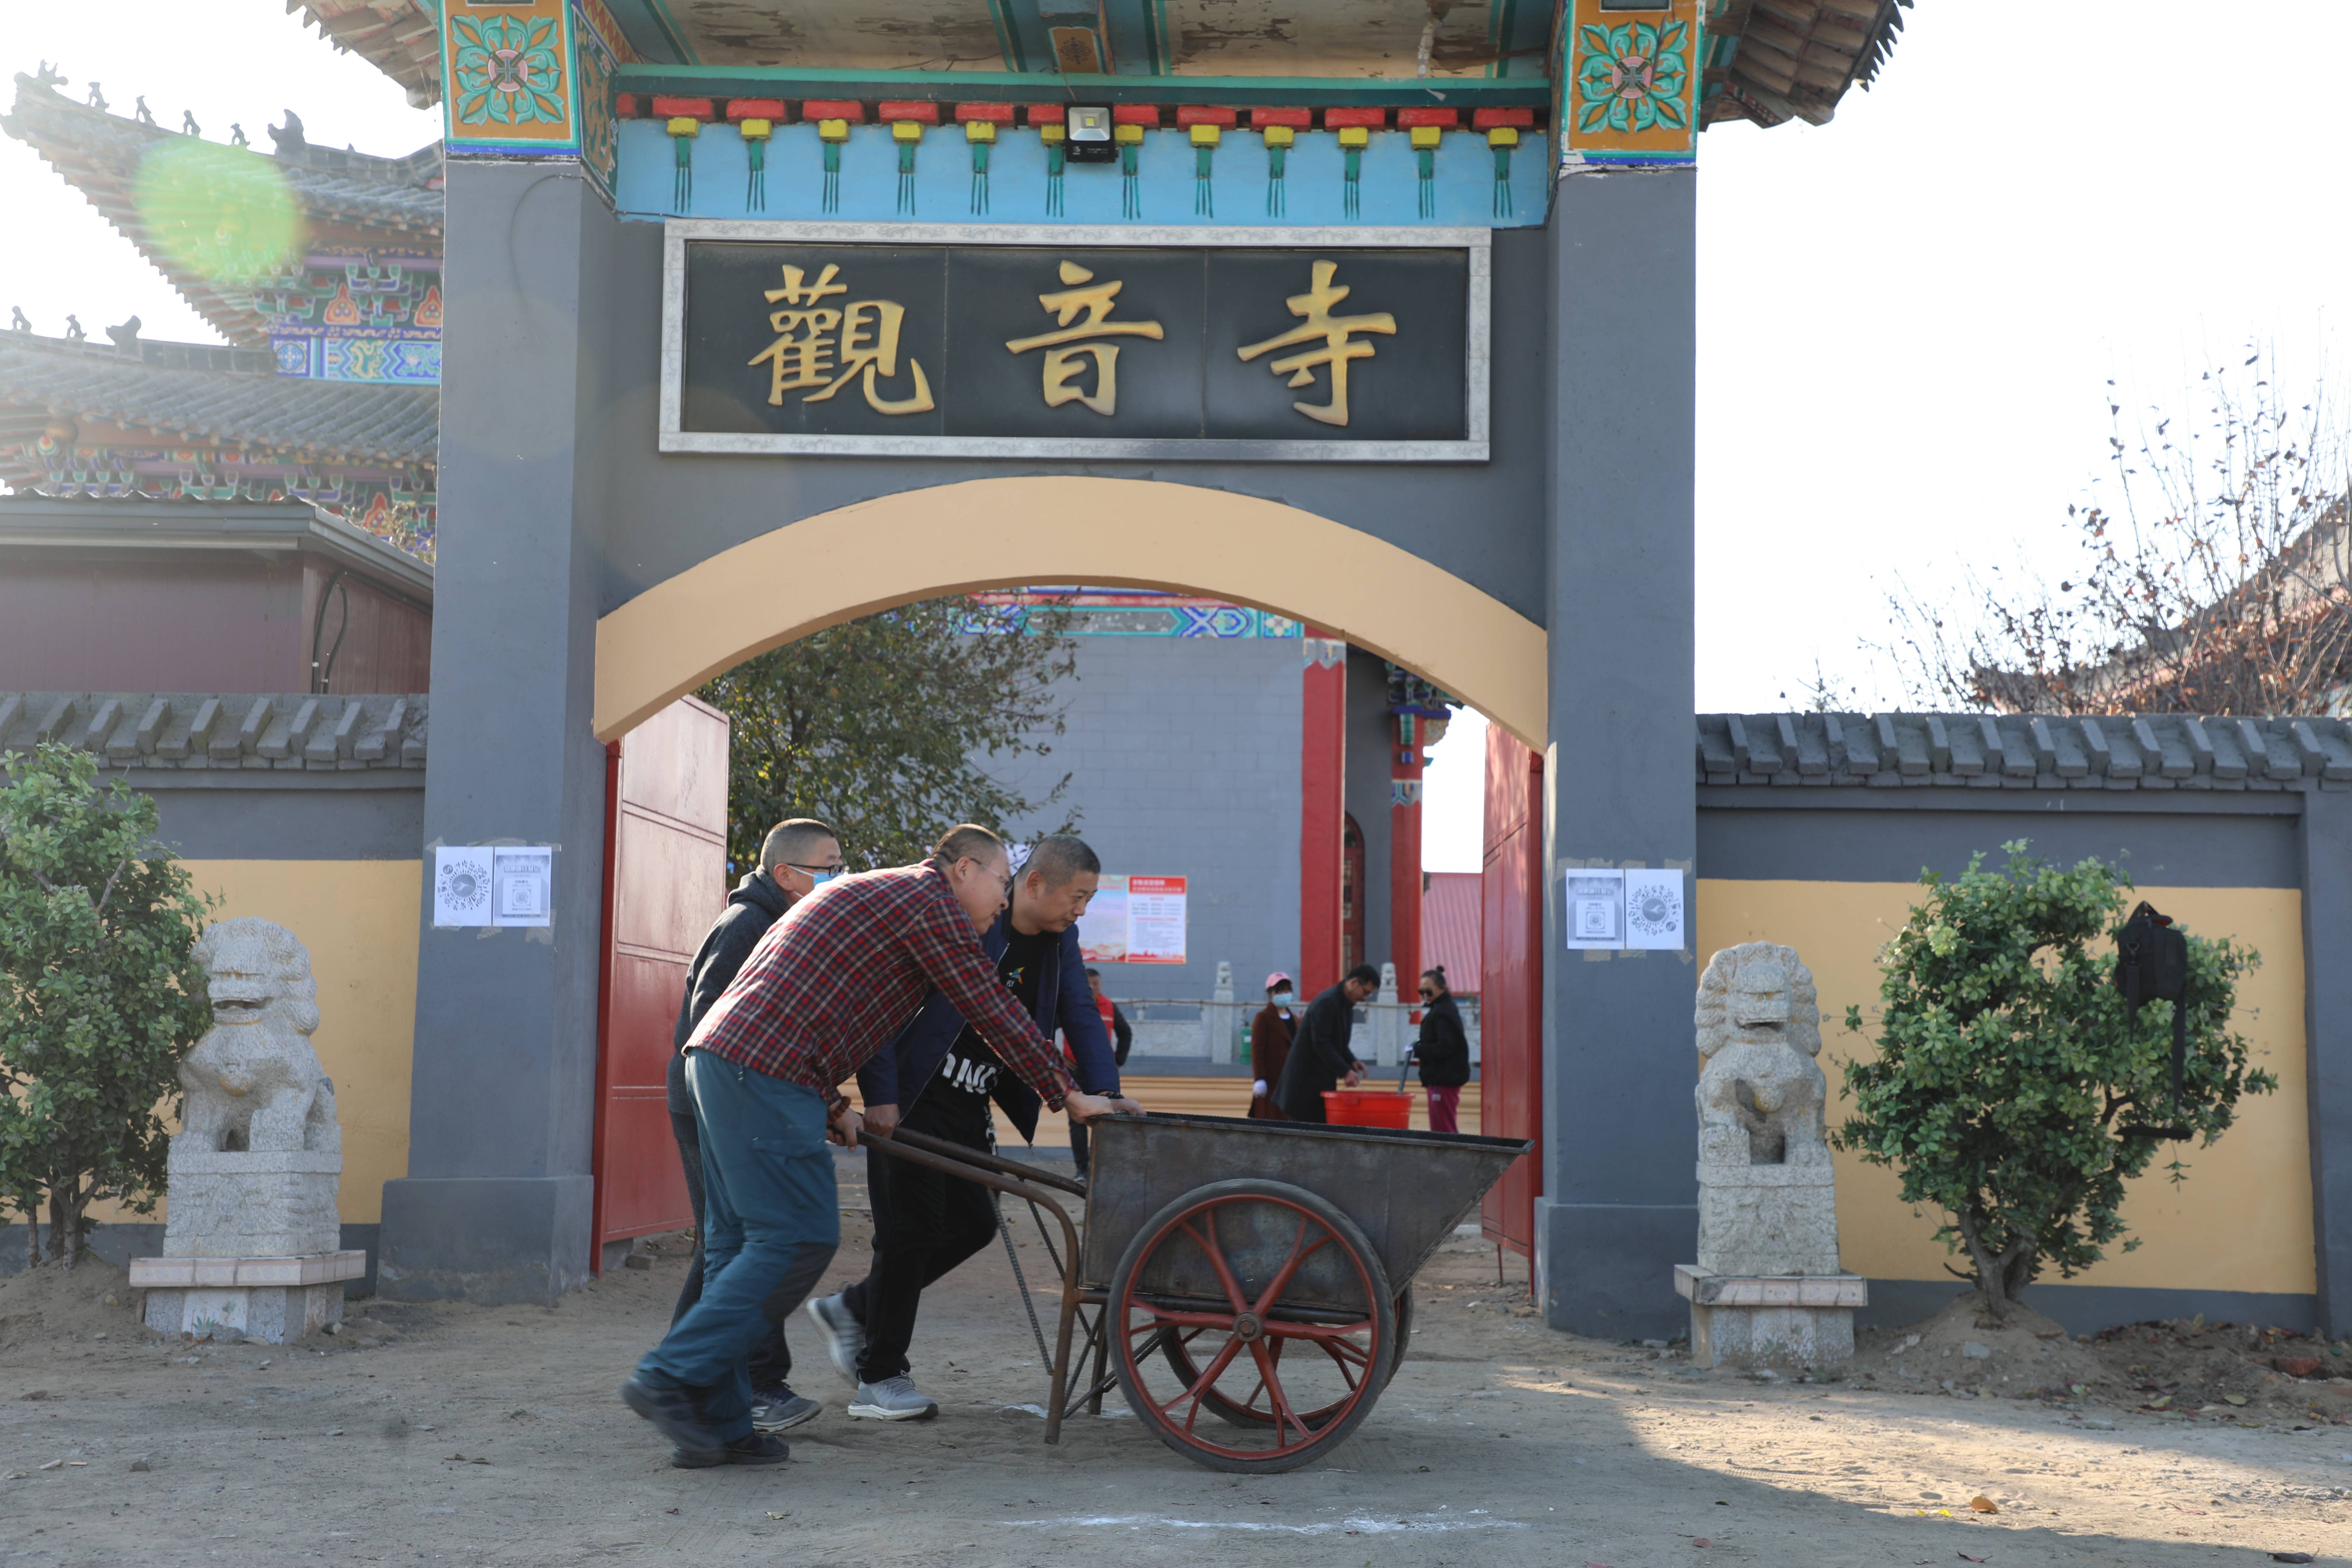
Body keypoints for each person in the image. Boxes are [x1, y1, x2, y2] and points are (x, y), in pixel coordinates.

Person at [621, 825, 1121, 1469]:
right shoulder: (928, 901)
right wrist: (1066, 1092)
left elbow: (807, 998)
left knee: (739, 1247)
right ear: (965, 869)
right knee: (796, 1237)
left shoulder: (888, 897)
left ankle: (715, 1425)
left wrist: (832, 1105)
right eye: (1002, 881)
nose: (1003, 900)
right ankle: (672, 1375)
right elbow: (988, 1002)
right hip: (760, 1068)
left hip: (737, 1061)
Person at [808, 836, 1139, 1420]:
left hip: (972, 1098)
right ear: (1033, 884)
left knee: (972, 1224)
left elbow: (1079, 1015)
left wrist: (1105, 1096)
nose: (1082, 909)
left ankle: (854, 1309)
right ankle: (880, 1377)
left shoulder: (1061, 942)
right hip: (916, 1094)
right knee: (909, 1232)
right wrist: (881, 1095)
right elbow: (886, 1007)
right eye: (1078, 896)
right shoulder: (966, 919)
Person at [665, 818, 843, 1437]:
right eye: (828, 866)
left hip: (740, 1101)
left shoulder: (785, 922)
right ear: (787, 874)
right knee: (750, 1243)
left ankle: (691, 1372)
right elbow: (709, 1023)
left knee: (736, 1244)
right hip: (717, 1103)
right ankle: (742, 1383)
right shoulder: (747, 925)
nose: (836, 877)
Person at [1274, 964, 1378, 1124]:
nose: (1365, 998)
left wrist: (1352, 1062)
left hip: (1320, 1084)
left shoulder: (1346, 1005)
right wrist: (1345, 1072)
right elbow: (1321, 1044)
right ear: (1354, 983)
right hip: (1304, 1088)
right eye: (1366, 992)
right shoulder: (1328, 1002)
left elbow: (1338, 1043)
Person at [1068, 966, 1132, 1179]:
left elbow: (1125, 1034)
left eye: (1096, 984)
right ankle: (1082, 1170)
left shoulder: (1109, 1007)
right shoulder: (1070, 1006)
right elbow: (1046, 1029)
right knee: (1077, 1121)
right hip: (1075, 1072)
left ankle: (1102, 1168)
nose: (1093, 988)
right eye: (1089, 985)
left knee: (1105, 1117)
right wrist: (1058, 1057)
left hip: (1101, 1074)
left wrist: (1117, 1061)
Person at [1409, 966, 1471, 1135]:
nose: (1425, 996)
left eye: (1428, 992)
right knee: (1440, 1128)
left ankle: (1452, 1160)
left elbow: (1446, 1047)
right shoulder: (1442, 1010)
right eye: (1422, 992)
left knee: (1444, 1130)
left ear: (1443, 988)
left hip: (1443, 1079)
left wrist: (1418, 1051)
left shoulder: (1444, 1012)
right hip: (1440, 1078)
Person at [1247, 971, 1298, 1119]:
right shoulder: (1263, 1018)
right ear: (1271, 994)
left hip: (1290, 1082)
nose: (1285, 994)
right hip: (1271, 1082)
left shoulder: (1295, 1020)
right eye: (1280, 991)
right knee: (1270, 1121)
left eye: (1287, 991)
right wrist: (1260, 1079)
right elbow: (1258, 1050)